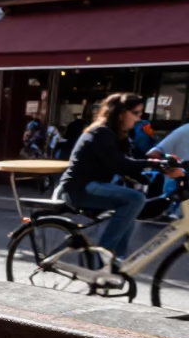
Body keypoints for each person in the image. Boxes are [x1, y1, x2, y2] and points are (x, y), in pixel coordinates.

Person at [58, 93, 162, 260]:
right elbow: (119, 164)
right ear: (120, 114)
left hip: (91, 186)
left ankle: (116, 261)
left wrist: (148, 173)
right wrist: (154, 164)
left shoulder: (116, 135)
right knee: (135, 199)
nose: (139, 118)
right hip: (79, 188)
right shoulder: (101, 132)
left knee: (131, 209)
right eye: (135, 113)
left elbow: (127, 163)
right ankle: (105, 256)